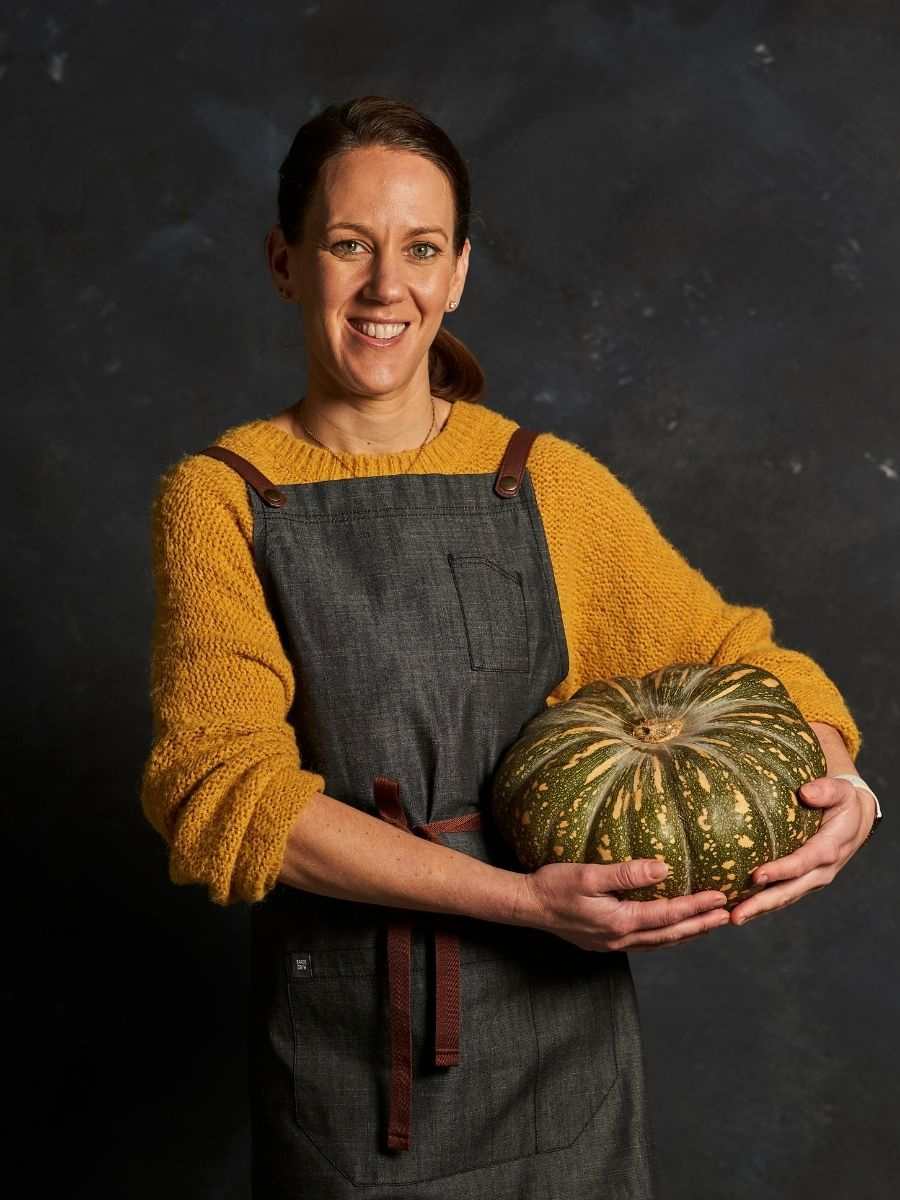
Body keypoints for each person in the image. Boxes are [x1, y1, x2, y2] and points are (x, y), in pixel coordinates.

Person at [140, 95, 879, 1200]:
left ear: (459, 273)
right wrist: (526, 905)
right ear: (286, 263)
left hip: (563, 1058)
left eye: (420, 249)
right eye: (349, 245)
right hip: (355, 1067)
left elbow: (739, 660)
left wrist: (842, 778)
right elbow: (222, 792)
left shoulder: (541, 483)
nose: (387, 288)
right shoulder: (224, 499)